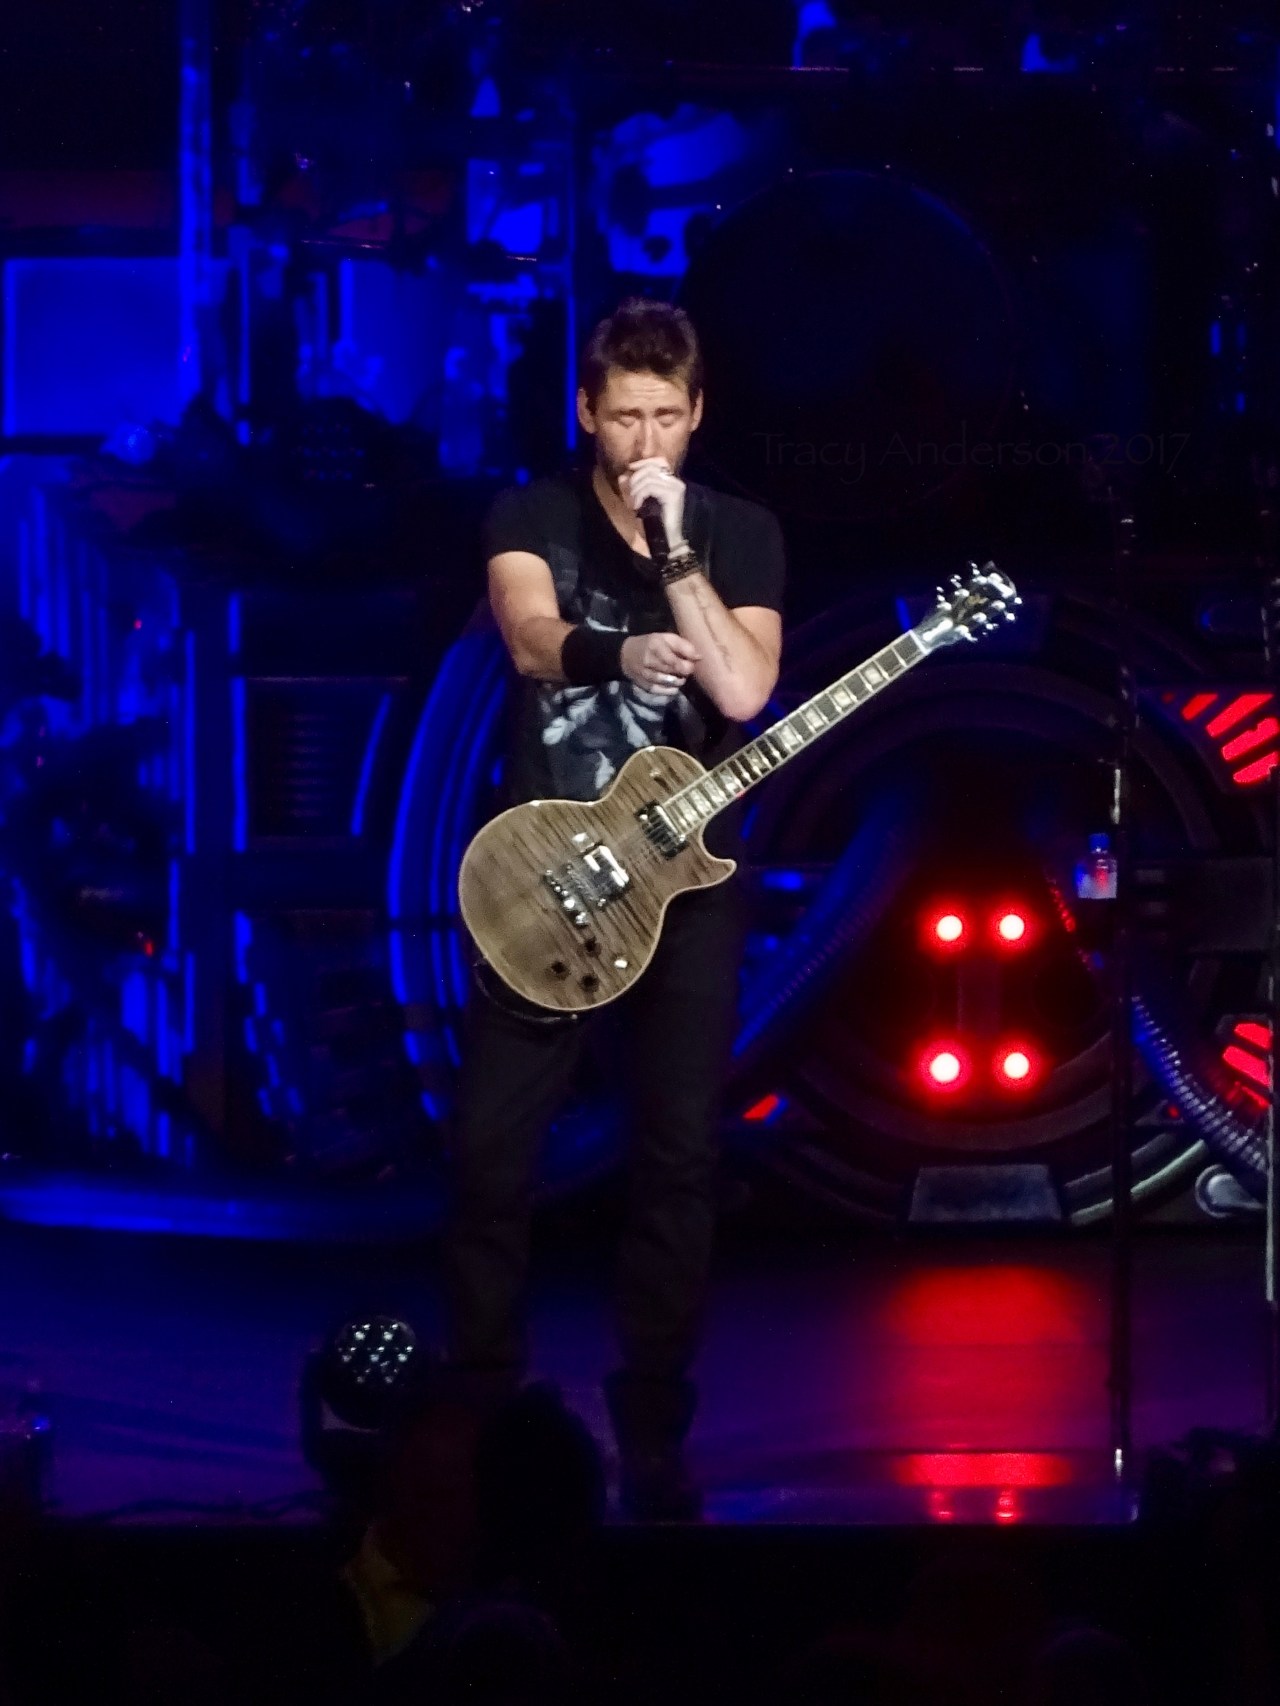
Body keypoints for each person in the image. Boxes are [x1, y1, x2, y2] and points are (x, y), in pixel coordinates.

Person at [440, 296, 786, 1521]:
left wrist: (675, 553)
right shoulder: (530, 514)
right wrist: (617, 653)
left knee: (678, 1152)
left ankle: (650, 1418)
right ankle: (484, 1403)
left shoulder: (738, 532)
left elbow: (742, 692)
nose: (645, 442)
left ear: (696, 416)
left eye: (665, 418)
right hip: (547, 876)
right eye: (624, 415)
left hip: (686, 888)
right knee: (491, 1151)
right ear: (586, 411)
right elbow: (530, 637)